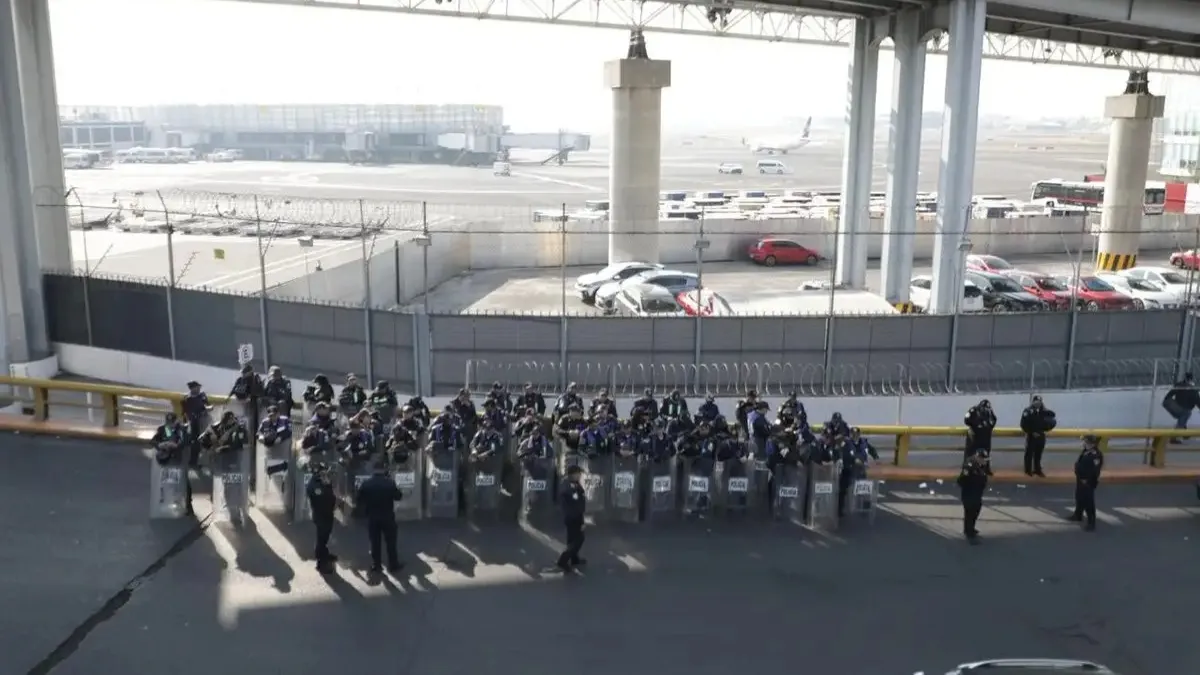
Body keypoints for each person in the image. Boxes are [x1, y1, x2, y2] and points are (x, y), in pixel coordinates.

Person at [354, 460, 404, 573]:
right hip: (388, 516)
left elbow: (359, 499)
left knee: (375, 542)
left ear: (373, 470)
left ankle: (376, 565)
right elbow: (398, 496)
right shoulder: (390, 483)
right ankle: (393, 564)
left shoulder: (366, 483)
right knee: (391, 541)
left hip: (372, 516)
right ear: (384, 469)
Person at [306, 461, 337, 573]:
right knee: (321, 538)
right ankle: (321, 562)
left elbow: (330, 495)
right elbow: (321, 498)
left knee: (325, 537)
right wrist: (327, 486)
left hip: (327, 514)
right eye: (323, 472)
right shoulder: (315, 484)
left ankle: (324, 554)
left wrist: (328, 485)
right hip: (321, 515)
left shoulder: (323, 481)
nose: (325, 474)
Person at [1069, 435, 1104, 532]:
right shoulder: (1085, 451)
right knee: (1079, 498)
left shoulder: (1096, 455)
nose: (1084, 443)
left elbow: (1095, 470)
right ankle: (1078, 515)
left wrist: (1086, 479)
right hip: (1080, 480)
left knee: (1088, 502)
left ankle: (1091, 522)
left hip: (1088, 482)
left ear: (1092, 444)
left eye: (1086, 442)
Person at [556, 464, 587, 572]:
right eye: (578, 473)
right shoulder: (568, 485)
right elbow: (572, 500)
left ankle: (574, 559)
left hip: (575, 515)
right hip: (572, 517)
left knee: (572, 539)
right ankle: (562, 561)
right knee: (578, 539)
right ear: (572, 474)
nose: (580, 475)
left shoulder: (573, 483)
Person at [956, 449, 989, 544]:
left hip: (977, 493)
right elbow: (961, 480)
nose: (985, 461)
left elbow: (983, 477)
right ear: (978, 457)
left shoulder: (981, 465)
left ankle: (971, 528)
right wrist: (969, 488)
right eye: (983, 459)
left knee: (976, 510)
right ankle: (969, 532)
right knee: (969, 513)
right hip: (969, 493)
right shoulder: (969, 466)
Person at [1019, 395, 1057, 477]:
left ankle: (1037, 470)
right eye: (1036, 402)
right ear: (1033, 402)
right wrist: (1031, 432)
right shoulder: (1028, 411)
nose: (1038, 403)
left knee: (1038, 454)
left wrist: (1044, 409)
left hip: (1041, 435)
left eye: (1040, 402)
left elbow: (1053, 414)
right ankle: (1028, 470)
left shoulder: (1043, 411)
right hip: (1031, 435)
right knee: (1029, 454)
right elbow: (1023, 424)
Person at [1162, 373, 1199, 442]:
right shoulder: (1193, 389)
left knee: (1183, 416)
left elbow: (1170, 394)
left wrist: (1168, 401)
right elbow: (1197, 400)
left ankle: (1184, 433)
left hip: (1172, 405)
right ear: (1191, 379)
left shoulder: (1179, 385)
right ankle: (1174, 437)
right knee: (1186, 414)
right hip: (1181, 408)